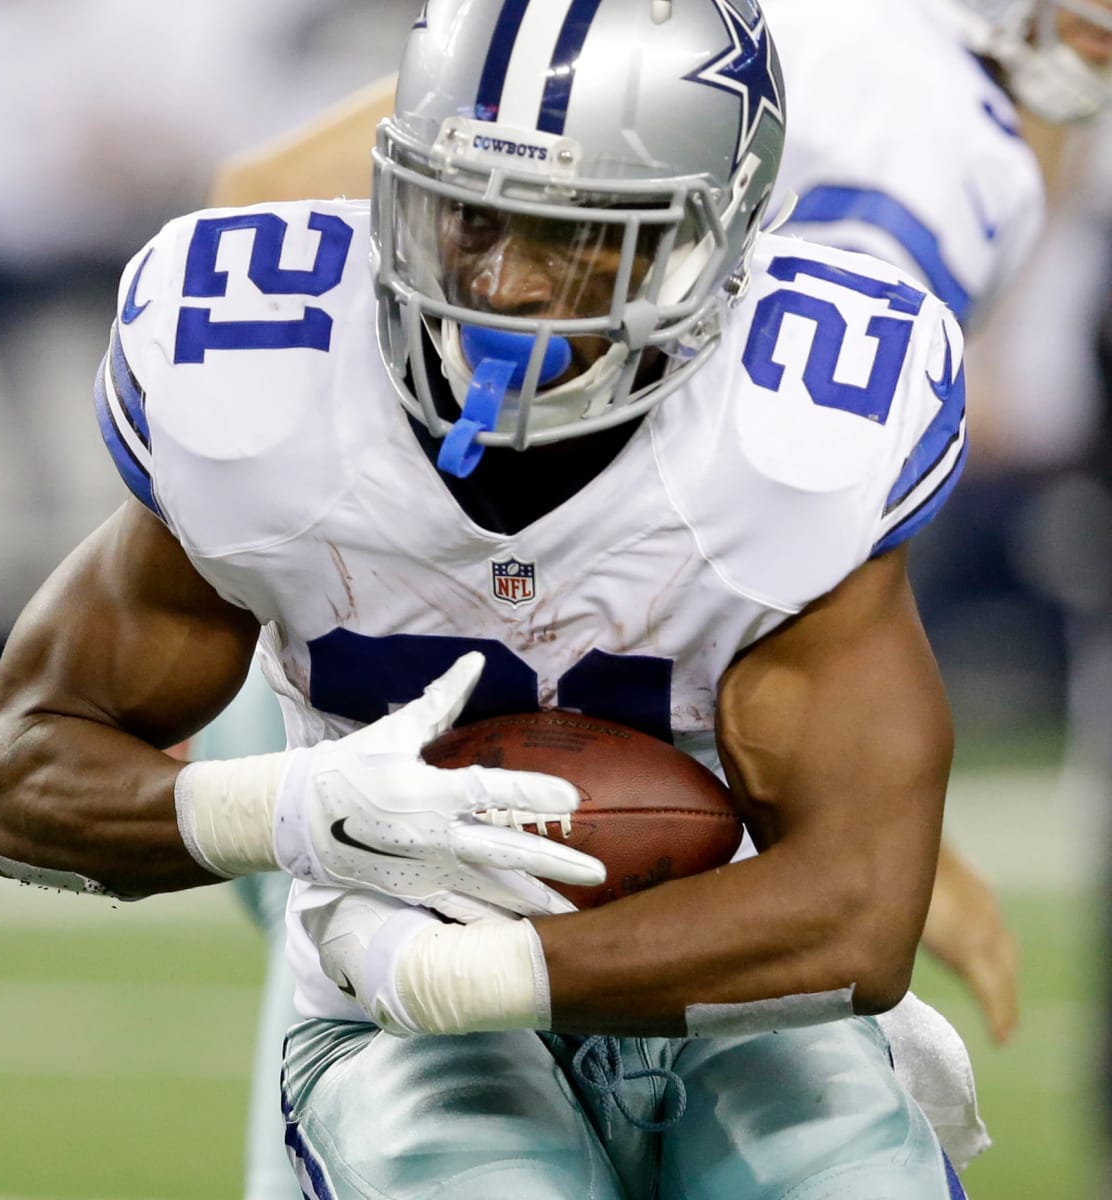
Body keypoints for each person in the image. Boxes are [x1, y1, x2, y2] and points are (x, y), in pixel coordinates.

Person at [0, 0, 989, 1196]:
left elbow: (856, 909)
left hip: (711, 971)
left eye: (577, 238)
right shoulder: (266, 378)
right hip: (385, 1007)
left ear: (720, 242)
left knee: (839, 1174)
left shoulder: (796, 427)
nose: (500, 285)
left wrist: (480, 971)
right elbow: (20, 777)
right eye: (468, 215)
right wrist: (292, 811)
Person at [205, 0, 1112, 1061]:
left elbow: (259, 193)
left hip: (377, 640)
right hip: (479, 683)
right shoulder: (916, 118)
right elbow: (798, 509)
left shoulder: (791, 40)